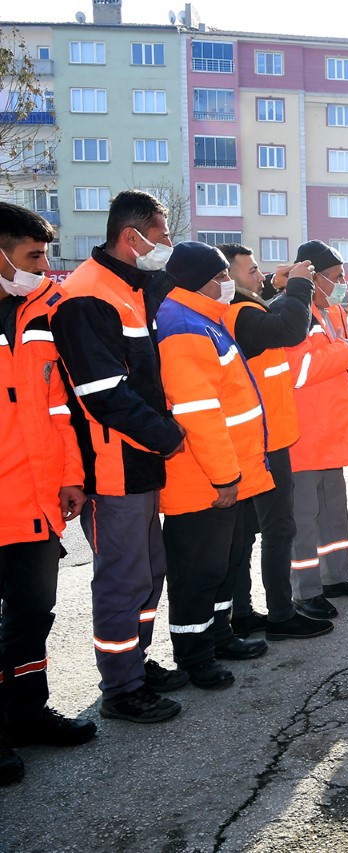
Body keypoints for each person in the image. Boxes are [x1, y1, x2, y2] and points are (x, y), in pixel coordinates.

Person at [51, 189, 188, 724]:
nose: (167, 246)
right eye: (162, 235)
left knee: (149, 570)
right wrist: (166, 435)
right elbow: (104, 391)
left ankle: (135, 658)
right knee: (123, 576)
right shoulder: (90, 294)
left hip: (137, 460)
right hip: (113, 466)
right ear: (132, 238)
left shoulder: (125, 287)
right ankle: (121, 687)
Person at [155, 242, 281, 690]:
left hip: (227, 472)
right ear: (203, 281)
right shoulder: (183, 324)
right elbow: (199, 412)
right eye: (223, 276)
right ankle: (195, 655)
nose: (230, 282)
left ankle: (219, 634)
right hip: (205, 478)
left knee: (224, 563)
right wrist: (225, 475)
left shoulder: (202, 318)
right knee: (198, 571)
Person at [0, 203, 96, 785]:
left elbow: (58, 408)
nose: (44, 268)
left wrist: (70, 477)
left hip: (35, 502)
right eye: (34, 256)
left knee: (34, 615)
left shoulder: (37, 315)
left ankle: (28, 713)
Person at [220, 243, 330, 637]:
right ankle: (281, 614)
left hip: (262, 437)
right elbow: (287, 328)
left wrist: (274, 287)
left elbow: (263, 314)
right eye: (251, 270)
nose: (259, 275)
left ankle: (244, 612)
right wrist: (298, 287)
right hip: (264, 442)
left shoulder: (239, 310)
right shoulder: (241, 314)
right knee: (277, 529)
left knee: (248, 532)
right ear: (227, 277)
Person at [284, 241, 348, 611]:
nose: (343, 283)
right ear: (313, 277)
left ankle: (338, 576)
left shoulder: (331, 312)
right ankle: (306, 592)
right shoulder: (296, 312)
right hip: (304, 439)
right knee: (304, 522)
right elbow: (300, 370)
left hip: (330, 437)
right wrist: (347, 350)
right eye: (337, 277)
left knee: (333, 515)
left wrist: (345, 347)